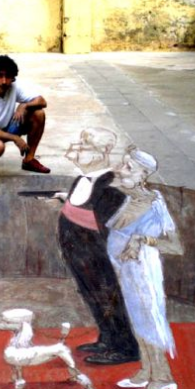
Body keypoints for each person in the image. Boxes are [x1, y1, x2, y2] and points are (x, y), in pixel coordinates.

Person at [54, 128, 140, 365]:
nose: (77, 150)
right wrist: (66, 200)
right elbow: (82, 207)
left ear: (104, 151)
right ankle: (107, 338)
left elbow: (106, 226)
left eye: (84, 146)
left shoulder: (110, 188)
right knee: (91, 296)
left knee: (107, 298)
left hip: (97, 255)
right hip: (77, 254)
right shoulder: (81, 180)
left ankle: (125, 348)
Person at [107, 147, 179, 389]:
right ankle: (147, 370)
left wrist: (143, 239)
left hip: (143, 272)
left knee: (148, 323)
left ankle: (162, 379)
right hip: (126, 271)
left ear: (143, 175)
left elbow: (175, 246)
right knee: (137, 321)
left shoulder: (153, 205)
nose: (120, 170)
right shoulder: (129, 198)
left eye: (128, 167)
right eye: (122, 164)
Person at [0, 55, 50, 176]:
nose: (4, 81)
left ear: (13, 78)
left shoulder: (13, 85)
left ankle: (29, 159)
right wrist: (15, 138)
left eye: (8, 77)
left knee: (38, 113)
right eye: (0, 76)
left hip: (6, 126)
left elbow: (42, 101)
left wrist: (25, 105)